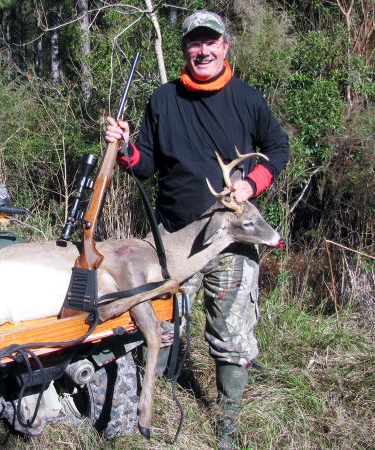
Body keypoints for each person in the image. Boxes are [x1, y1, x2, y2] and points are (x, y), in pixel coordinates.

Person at [105, 10, 290, 450]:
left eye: (211, 42)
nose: (203, 51)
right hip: (173, 242)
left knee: (231, 335)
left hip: (229, 241)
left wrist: (251, 183)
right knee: (163, 327)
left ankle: (226, 427)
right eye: (194, 42)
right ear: (185, 48)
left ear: (225, 46)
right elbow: (145, 165)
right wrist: (126, 147)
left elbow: (278, 148)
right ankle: (156, 407)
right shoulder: (163, 99)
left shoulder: (246, 99)